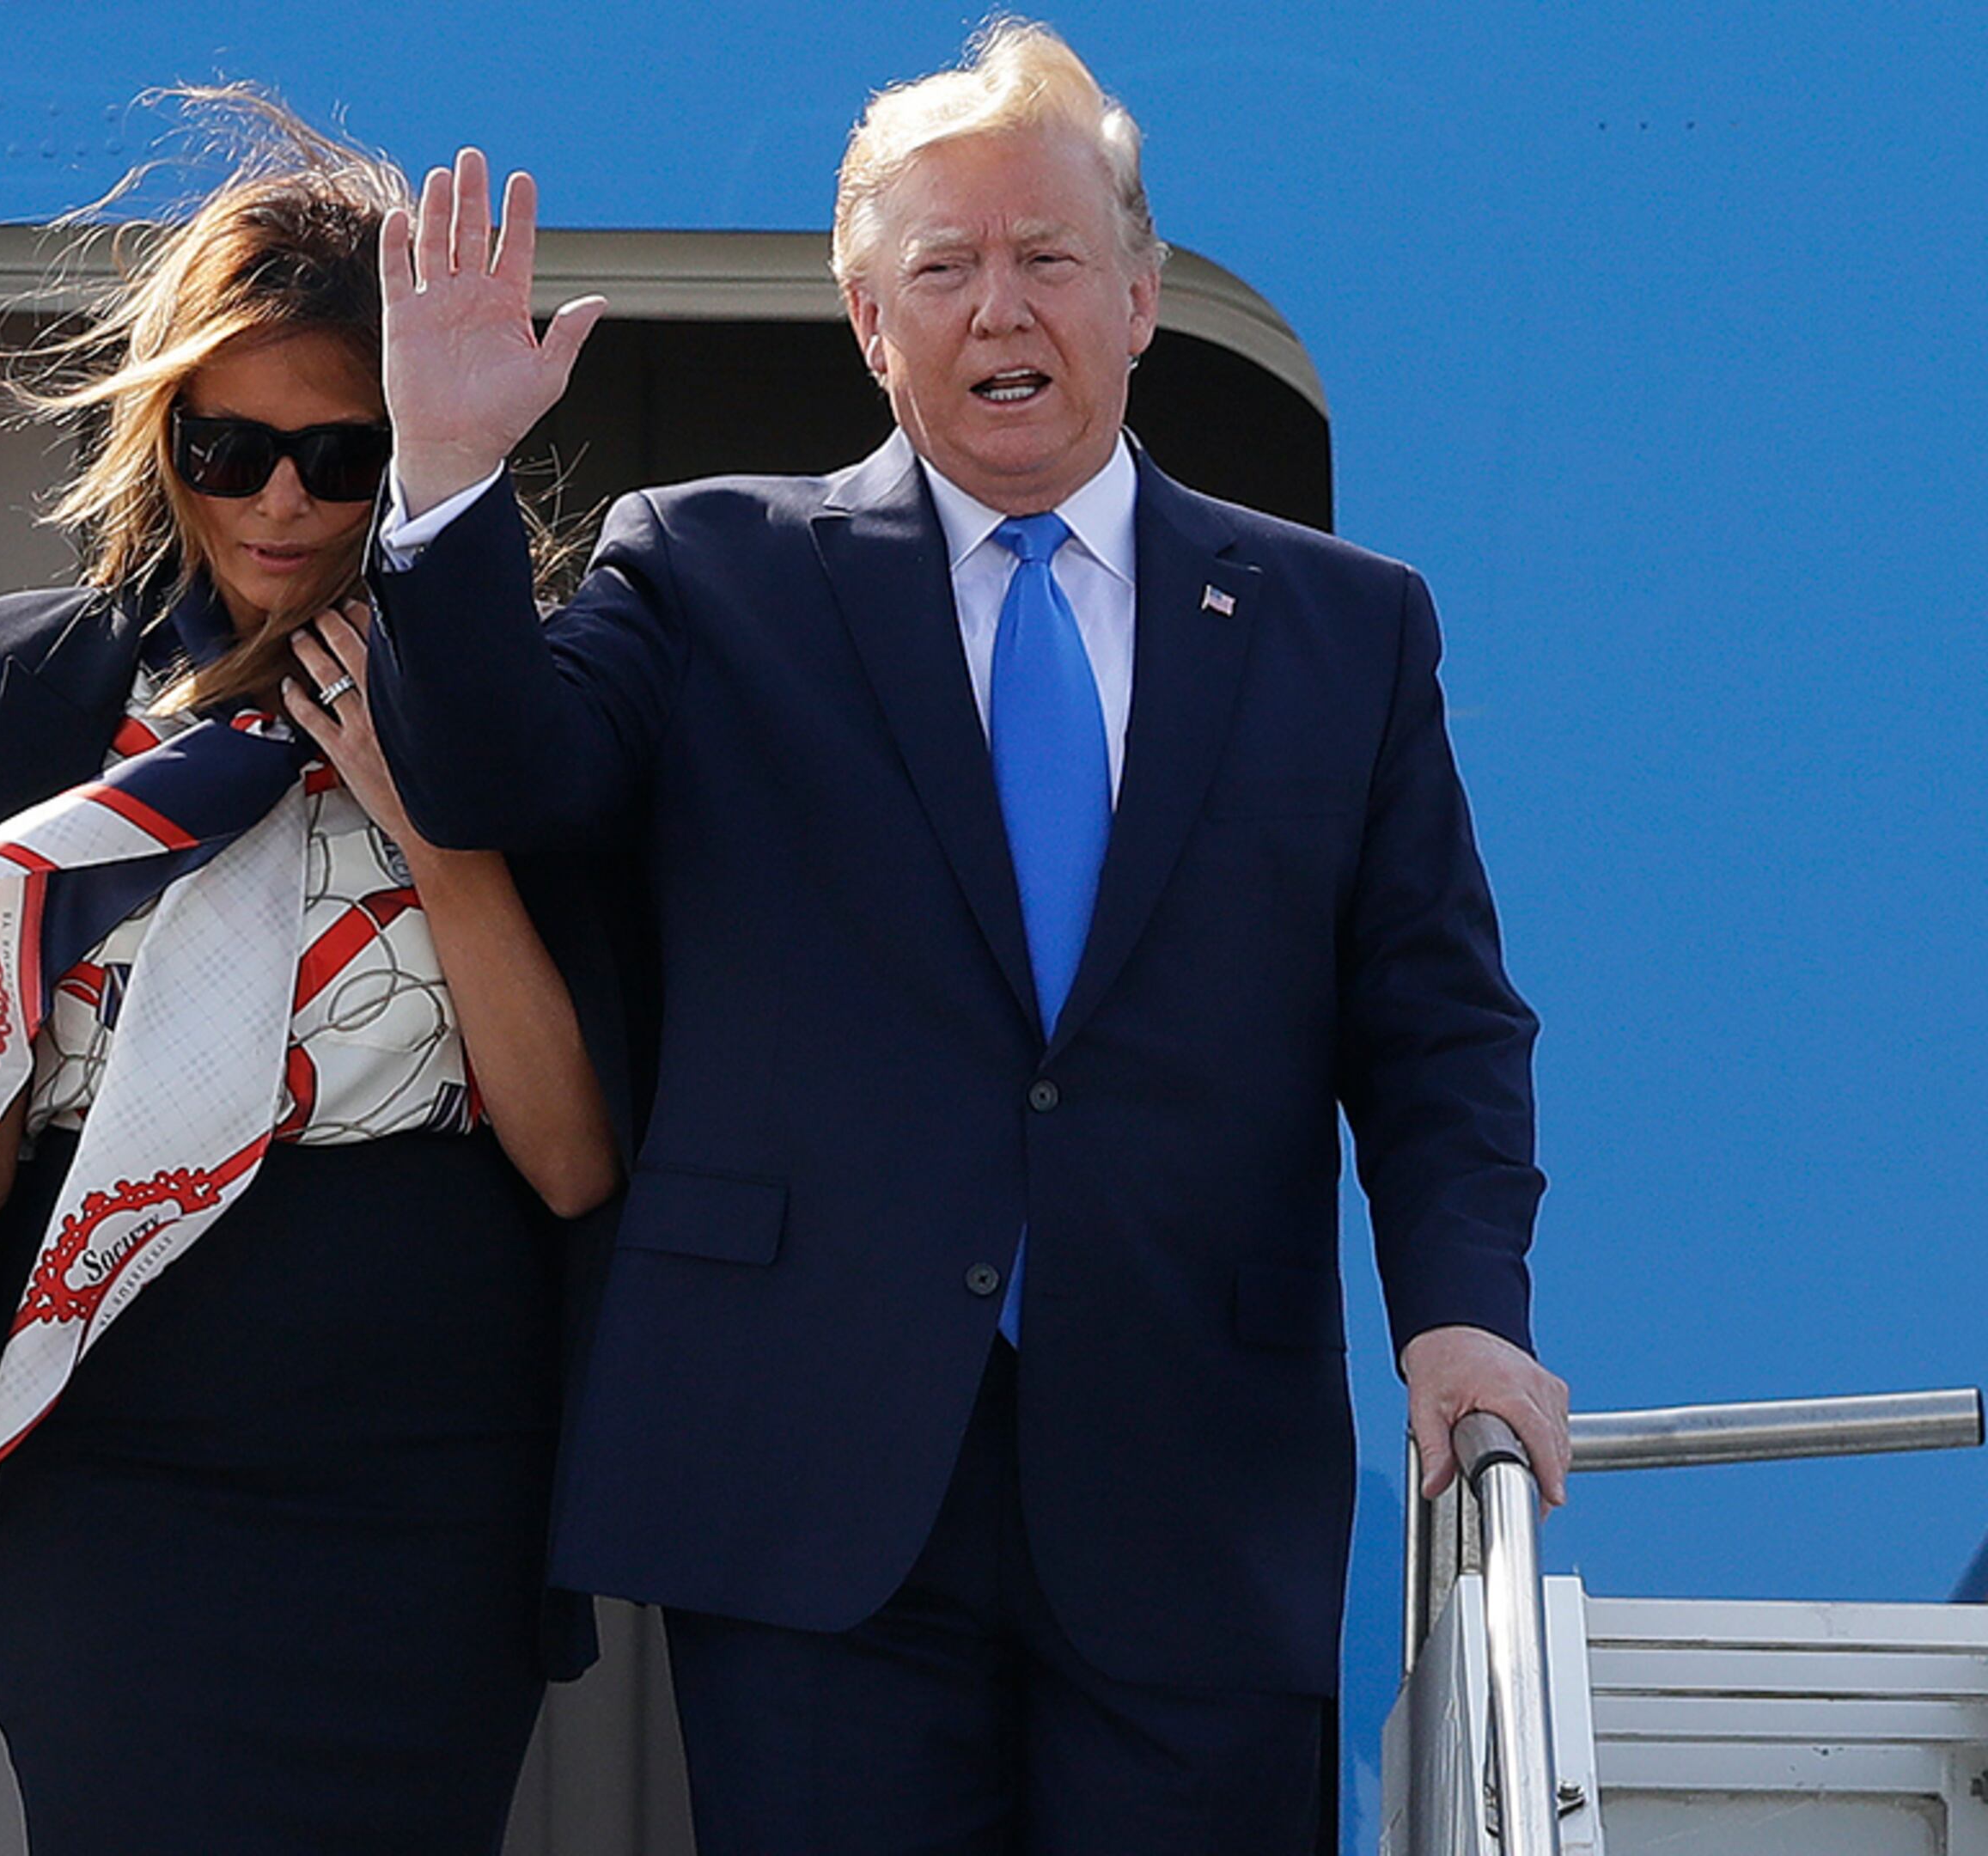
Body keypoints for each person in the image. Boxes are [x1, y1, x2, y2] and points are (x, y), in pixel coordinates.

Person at [360, 21, 1570, 1853]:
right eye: (943, 268)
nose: (1000, 307)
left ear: (1144, 295)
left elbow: (1436, 1026)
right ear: (870, 322)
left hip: (1190, 1472)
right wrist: (442, 482)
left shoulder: (1345, 629)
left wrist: (1463, 1317)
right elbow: (495, 775)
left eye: (1048, 257)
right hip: (813, 1465)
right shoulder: (708, 569)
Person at [0, 91, 623, 1855]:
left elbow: (570, 1158)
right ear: (161, 430)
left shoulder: (513, 723)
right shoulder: (4, 694)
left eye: (344, 457)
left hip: (425, 1473)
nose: (283, 499)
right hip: (113, 1452)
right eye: (233, 445)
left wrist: (435, 832)